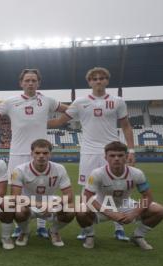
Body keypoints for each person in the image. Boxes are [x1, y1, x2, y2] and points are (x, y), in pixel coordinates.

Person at [48, 67, 135, 241]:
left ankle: (119, 227)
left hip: (112, 152)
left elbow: (126, 126)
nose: (98, 81)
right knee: (86, 190)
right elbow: (58, 121)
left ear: (107, 81)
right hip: (89, 153)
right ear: (89, 82)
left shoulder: (118, 101)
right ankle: (87, 229)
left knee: (119, 188)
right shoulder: (80, 102)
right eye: (94, 78)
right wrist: (30, 121)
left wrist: (131, 150)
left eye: (102, 78)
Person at [0, 69, 68, 238]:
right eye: (27, 80)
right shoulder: (11, 102)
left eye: (33, 80)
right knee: (17, 191)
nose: (30, 83)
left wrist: (53, 122)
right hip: (17, 153)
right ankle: (20, 226)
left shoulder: (47, 100)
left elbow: (69, 110)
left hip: (40, 152)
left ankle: (42, 225)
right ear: (21, 83)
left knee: (43, 188)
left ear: (38, 83)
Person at [76, 141, 163, 250]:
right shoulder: (97, 173)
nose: (116, 158)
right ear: (106, 157)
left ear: (127, 156)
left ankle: (138, 236)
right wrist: (110, 213)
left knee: (159, 211)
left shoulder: (137, 173)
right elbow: (87, 197)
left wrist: (134, 213)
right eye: (112, 155)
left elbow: (148, 197)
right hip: (102, 205)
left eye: (120, 155)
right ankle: (90, 235)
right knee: (80, 210)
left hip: (125, 204)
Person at [11, 139, 75, 247]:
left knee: (71, 209)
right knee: (17, 210)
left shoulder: (59, 169)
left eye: (45, 153)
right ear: (31, 154)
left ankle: (54, 231)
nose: (41, 156)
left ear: (50, 154)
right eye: (37, 153)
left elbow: (69, 196)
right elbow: (15, 197)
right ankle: (25, 232)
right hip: (28, 204)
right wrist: (38, 204)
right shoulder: (20, 170)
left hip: (50, 204)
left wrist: (51, 204)